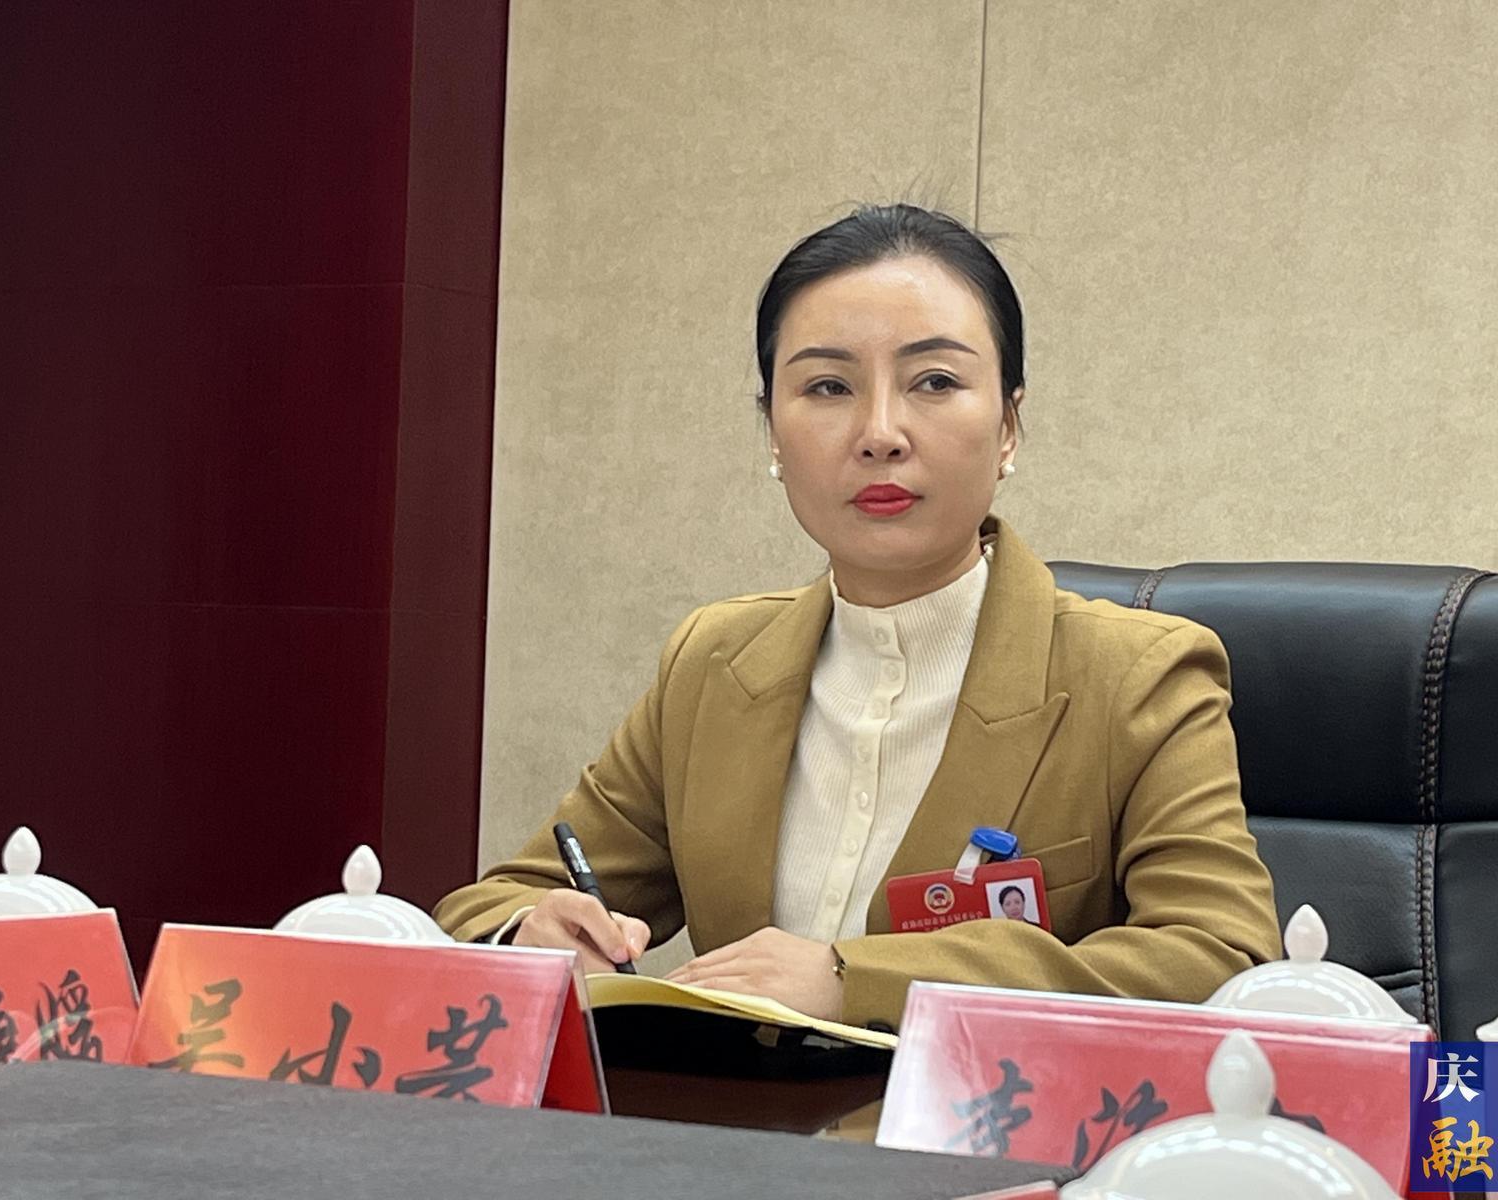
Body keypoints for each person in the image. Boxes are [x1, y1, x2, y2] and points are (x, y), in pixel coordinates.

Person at [434, 204, 1281, 1030]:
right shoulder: (713, 663)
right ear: (773, 433)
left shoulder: (1138, 679)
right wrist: (532, 934)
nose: (880, 433)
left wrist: (859, 980)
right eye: (828, 386)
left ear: (1009, 427)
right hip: (725, 1122)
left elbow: (1220, 959)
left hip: (978, 1125)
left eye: (935, 382)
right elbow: (492, 903)